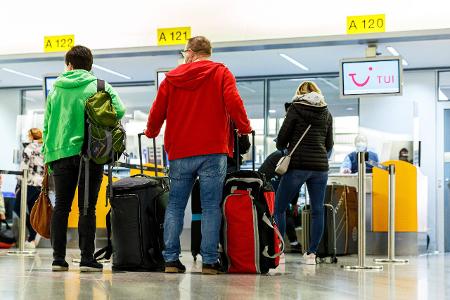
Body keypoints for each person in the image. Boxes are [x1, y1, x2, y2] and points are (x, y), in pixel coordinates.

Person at [145, 36, 252, 275]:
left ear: (191, 53)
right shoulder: (221, 73)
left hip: (180, 151)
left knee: (175, 205)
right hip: (213, 150)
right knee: (211, 206)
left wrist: (151, 131)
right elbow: (234, 101)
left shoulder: (171, 79)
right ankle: (210, 261)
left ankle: (171, 260)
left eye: (184, 53)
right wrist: (244, 127)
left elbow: (157, 111)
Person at [43, 45, 125, 272]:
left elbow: (47, 127)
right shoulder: (99, 85)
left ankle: (58, 259)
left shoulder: (56, 90)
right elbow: (119, 110)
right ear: (90, 65)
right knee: (87, 207)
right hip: (92, 153)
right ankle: (87, 258)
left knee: (61, 206)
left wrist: (48, 158)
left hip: (60, 154)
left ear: (68, 65)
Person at [274, 81, 333, 265]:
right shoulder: (326, 112)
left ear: (299, 93)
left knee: (279, 208)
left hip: (297, 166)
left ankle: (280, 251)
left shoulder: (295, 108)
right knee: (317, 211)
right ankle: (311, 254)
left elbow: (282, 138)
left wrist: (283, 149)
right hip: (320, 168)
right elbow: (329, 143)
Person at [259, 150, 302, 253]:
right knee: (284, 211)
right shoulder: (288, 158)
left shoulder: (276, 155)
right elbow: (294, 184)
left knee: (273, 214)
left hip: (265, 187)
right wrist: (294, 203)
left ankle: (269, 243)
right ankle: (292, 243)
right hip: (272, 186)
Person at [14, 128, 45, 248]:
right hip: (40, 184)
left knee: (18, 208)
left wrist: (18, 185)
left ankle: (33, 232)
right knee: (33, 212)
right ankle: (32, 238)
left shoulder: (29, 148)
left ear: (31, 136)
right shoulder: (44, 148)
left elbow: (23, 168)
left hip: (29, 183)